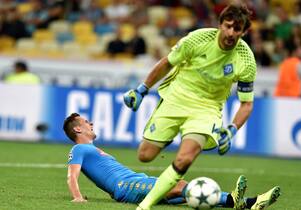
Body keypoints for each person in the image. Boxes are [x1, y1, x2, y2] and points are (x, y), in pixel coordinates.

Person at [123, 3, 277, 210]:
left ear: (244, 31)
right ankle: (170, 138)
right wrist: (142, 89)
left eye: (237, 29)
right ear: (220, 24)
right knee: (145, 155)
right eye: (228, 26)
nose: (231, 33)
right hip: (176, 98)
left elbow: (246, 104)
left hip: (206, 109)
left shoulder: (246, 60)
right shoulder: (198, 39)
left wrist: (232, 130)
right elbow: (167, 63)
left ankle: (145, 205)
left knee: (185, 158)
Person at [63, 113, 281, 210]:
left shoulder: (92, 149)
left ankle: (248, 203)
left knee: (189, 194)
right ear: (78, 129)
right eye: (85, 121)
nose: (90, 122)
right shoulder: (79, 148)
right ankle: (237, 200)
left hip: (136, 181)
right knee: (181, 186)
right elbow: (72, 175)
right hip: (126, 187)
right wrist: (78, 198)